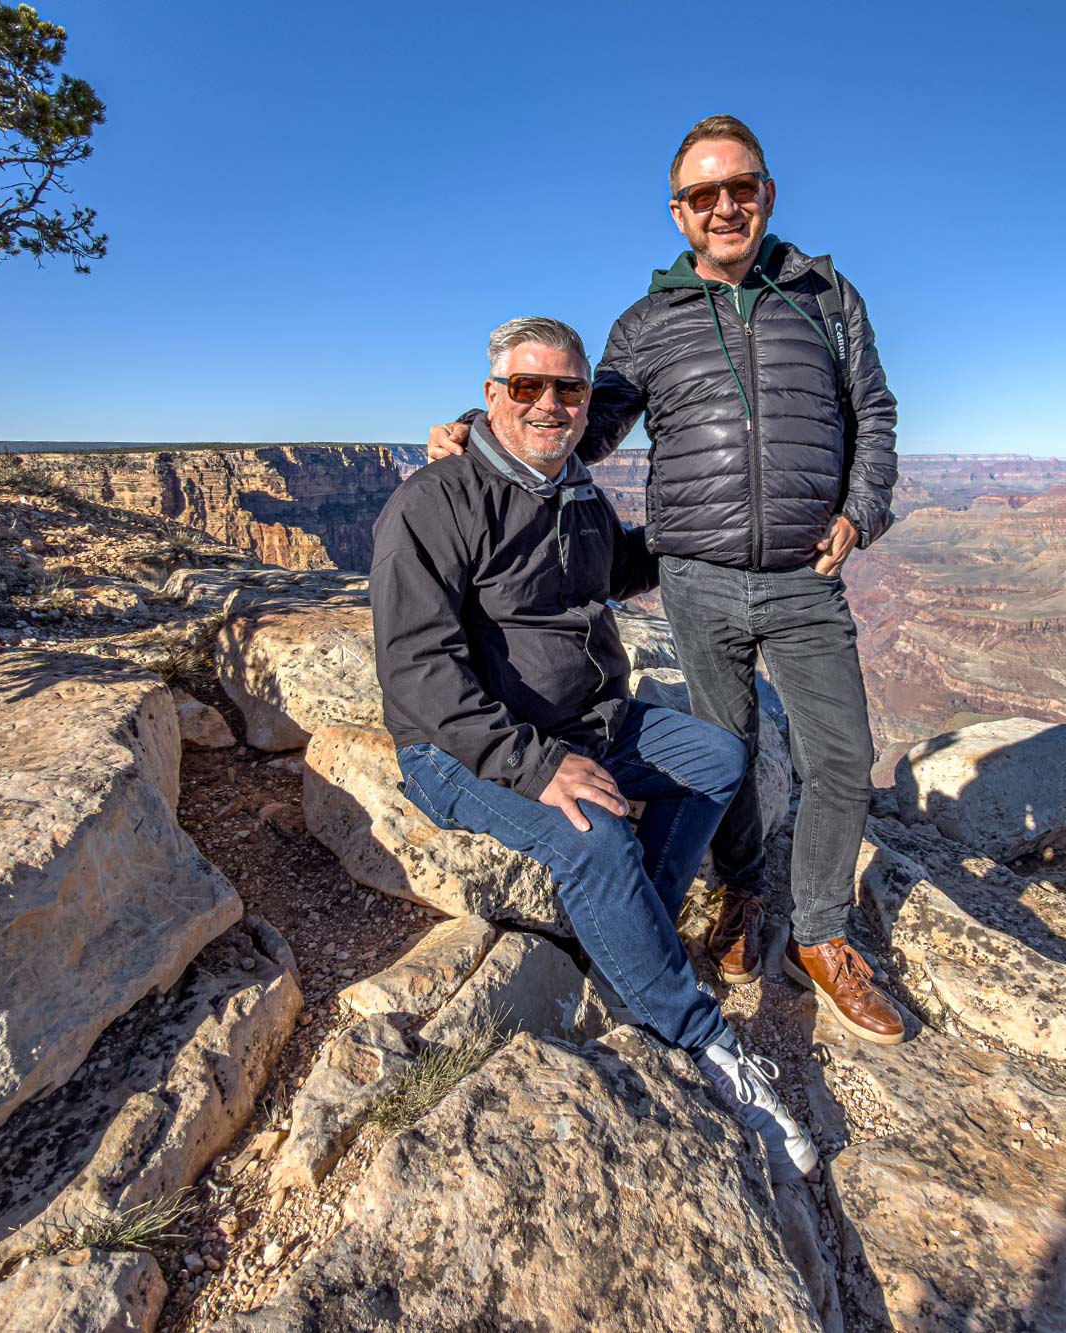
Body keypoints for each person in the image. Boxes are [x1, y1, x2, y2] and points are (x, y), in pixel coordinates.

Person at [427, 116, 905, 1044]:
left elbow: (873, 410)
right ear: (678, 212)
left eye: (743, 187)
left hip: (807, 572)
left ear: (768, 193)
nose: (725, 207)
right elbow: (580, 420)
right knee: (723, 751)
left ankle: (821, 935)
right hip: (696, 576)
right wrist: (474, 430)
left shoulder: (825, 296)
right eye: (703, 195)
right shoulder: (647, 323)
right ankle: (744, 899)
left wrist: (863, 511)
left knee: (840, 754)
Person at [374, 315, 819, 1181]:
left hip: (588, 720)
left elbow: (614, 569)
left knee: (718, 760)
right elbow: (417, 674)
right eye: (527, 387)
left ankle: (630, 938)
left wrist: (712, 532)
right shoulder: (434, 502)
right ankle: (699, 1038)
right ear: (492, 396)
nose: (549, 404)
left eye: (567, 389)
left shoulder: (573, 487)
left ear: (586, 402)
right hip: (461, 749)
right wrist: (537, 765)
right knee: (593, 828)